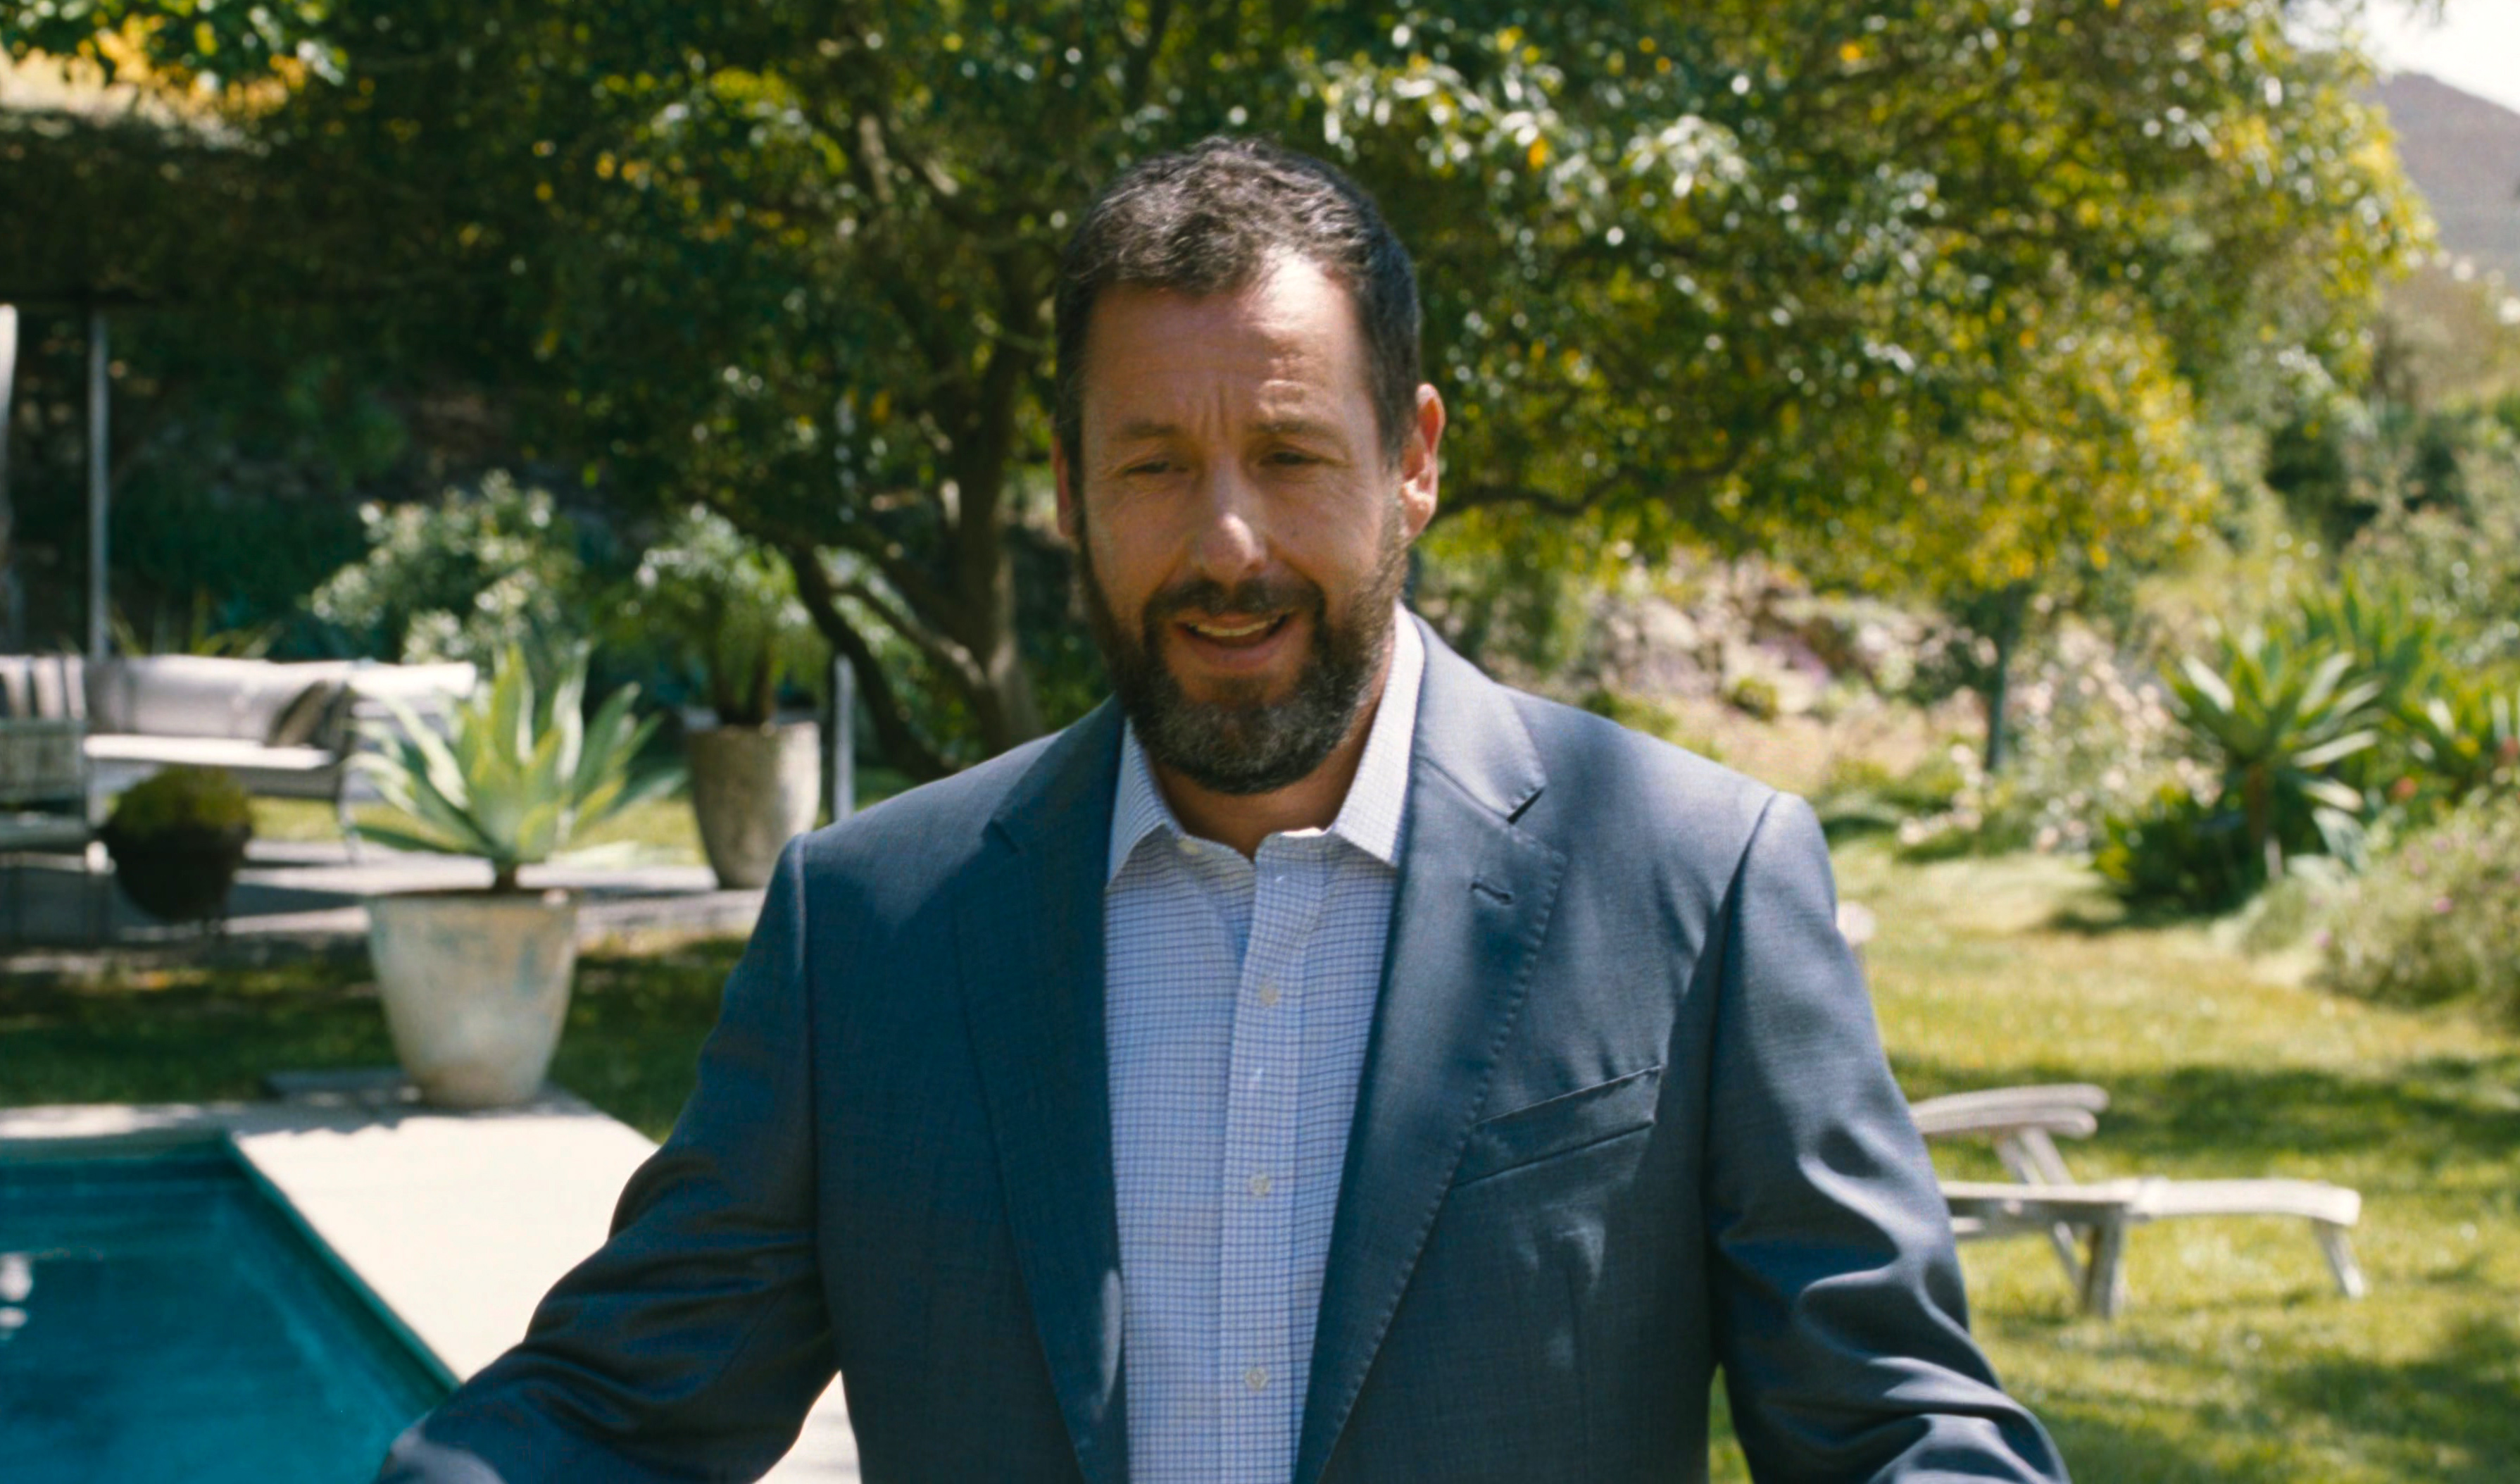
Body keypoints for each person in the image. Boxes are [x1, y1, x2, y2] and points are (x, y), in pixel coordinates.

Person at [382, 137, 2068, 1483]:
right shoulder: (873, 929)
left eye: (1287, 455)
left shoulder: (1693, 884)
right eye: (1152, 467)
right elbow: (616, 1410)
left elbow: (1890, 1424)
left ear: (1412, 459)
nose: (1226, 546)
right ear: (1067, 489)